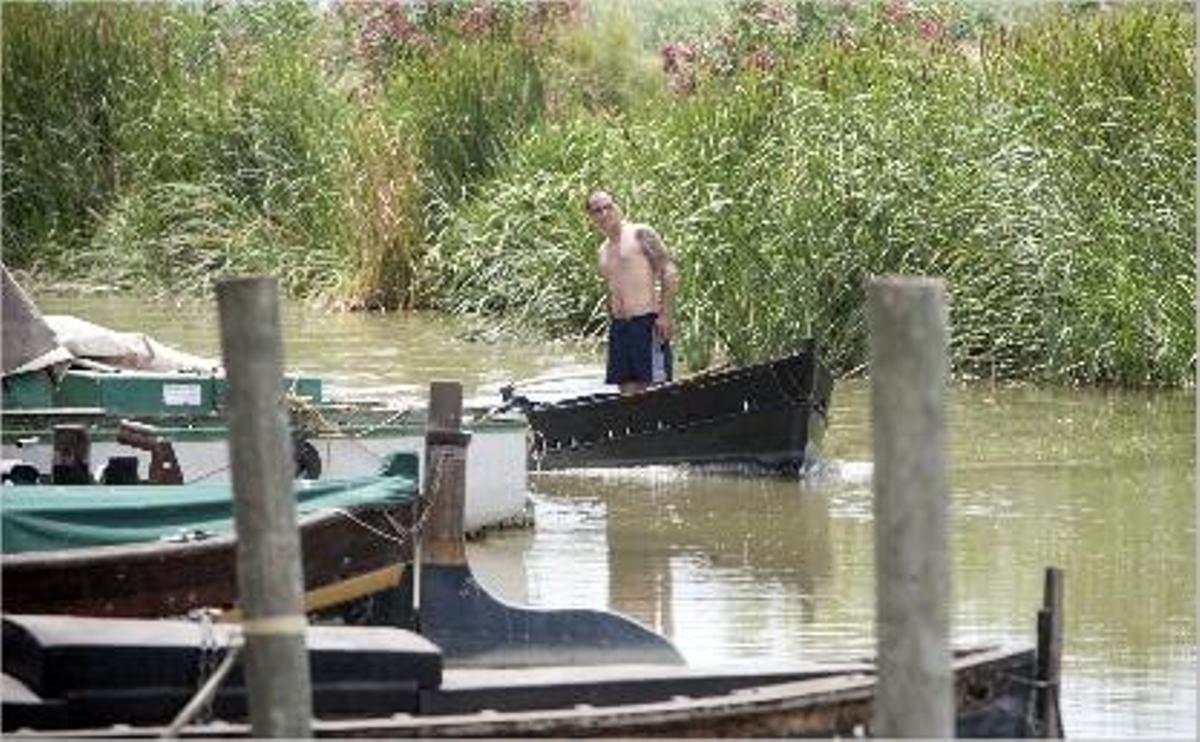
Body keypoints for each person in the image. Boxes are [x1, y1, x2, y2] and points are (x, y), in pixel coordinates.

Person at [587, 189, 680, 396]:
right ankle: (637, 429)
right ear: (591, 217)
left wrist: (666, 315)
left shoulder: (640, 233)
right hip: (620, 329)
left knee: (655, 390)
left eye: (607, 207)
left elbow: (669, 271)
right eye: (597, 211)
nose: (604, 214)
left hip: (646, 323)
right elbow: (613, 288)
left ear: (618, 206)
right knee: (626, 394)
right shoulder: (602, 251)